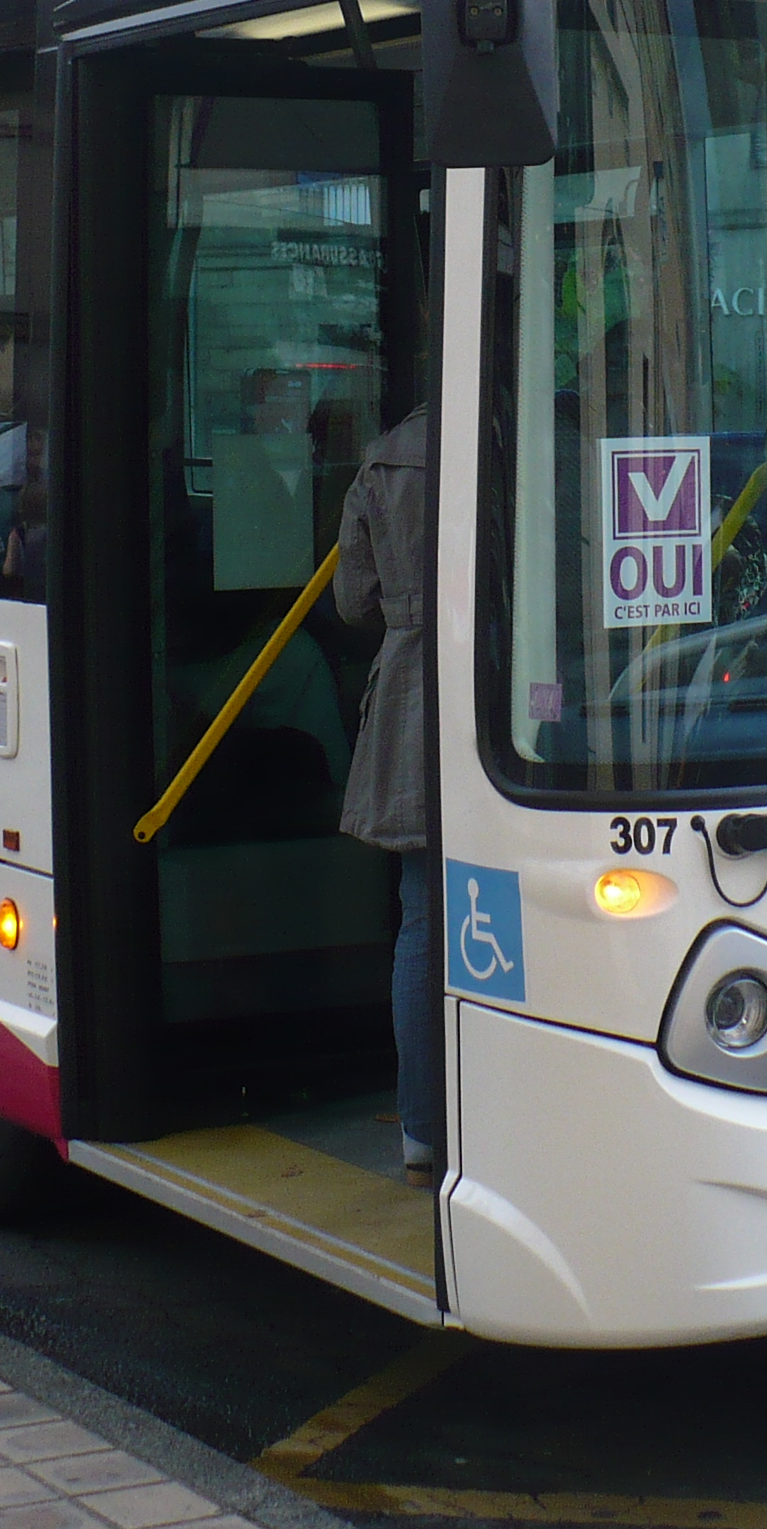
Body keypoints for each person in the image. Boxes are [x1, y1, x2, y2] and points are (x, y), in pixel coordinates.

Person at [333, 404, 435, 1185]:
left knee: (421, 916)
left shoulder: (382, 461)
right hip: (506, 682)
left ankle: (420, 1129)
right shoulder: (520, 439)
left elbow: (351, 602)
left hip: (409, 694)